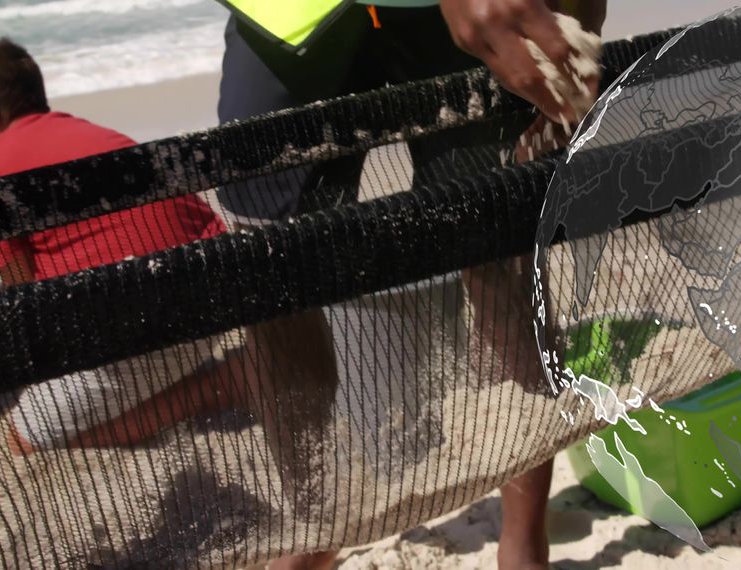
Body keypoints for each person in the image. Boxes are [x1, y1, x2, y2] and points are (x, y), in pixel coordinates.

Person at [213, 2, 606, 569]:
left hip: (439, 18)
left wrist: (572, 15)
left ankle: (523, 539)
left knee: (499, 245)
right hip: (290, 14)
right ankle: (319, 523)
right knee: (269, 269)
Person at [0, 38, 237, 457]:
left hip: (142, 329)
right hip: (219, 299)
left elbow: (22, 297)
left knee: (26, 438)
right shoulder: (85, 131)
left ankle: (220, 386)